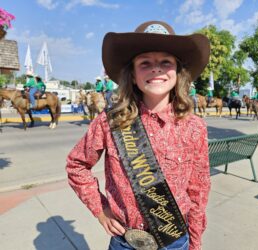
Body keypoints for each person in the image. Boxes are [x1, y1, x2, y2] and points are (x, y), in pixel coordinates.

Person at [66, 20, 211, 250]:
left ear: (178, 73)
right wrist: (100, 209)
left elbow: (198, 190)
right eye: (145, 63)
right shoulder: (110, 121)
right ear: (132, 75)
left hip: (175, 241)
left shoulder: (194, 127)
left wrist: (195, 242)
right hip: (125, 241)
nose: (156, 68)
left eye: (166, 62)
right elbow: (76, 165)